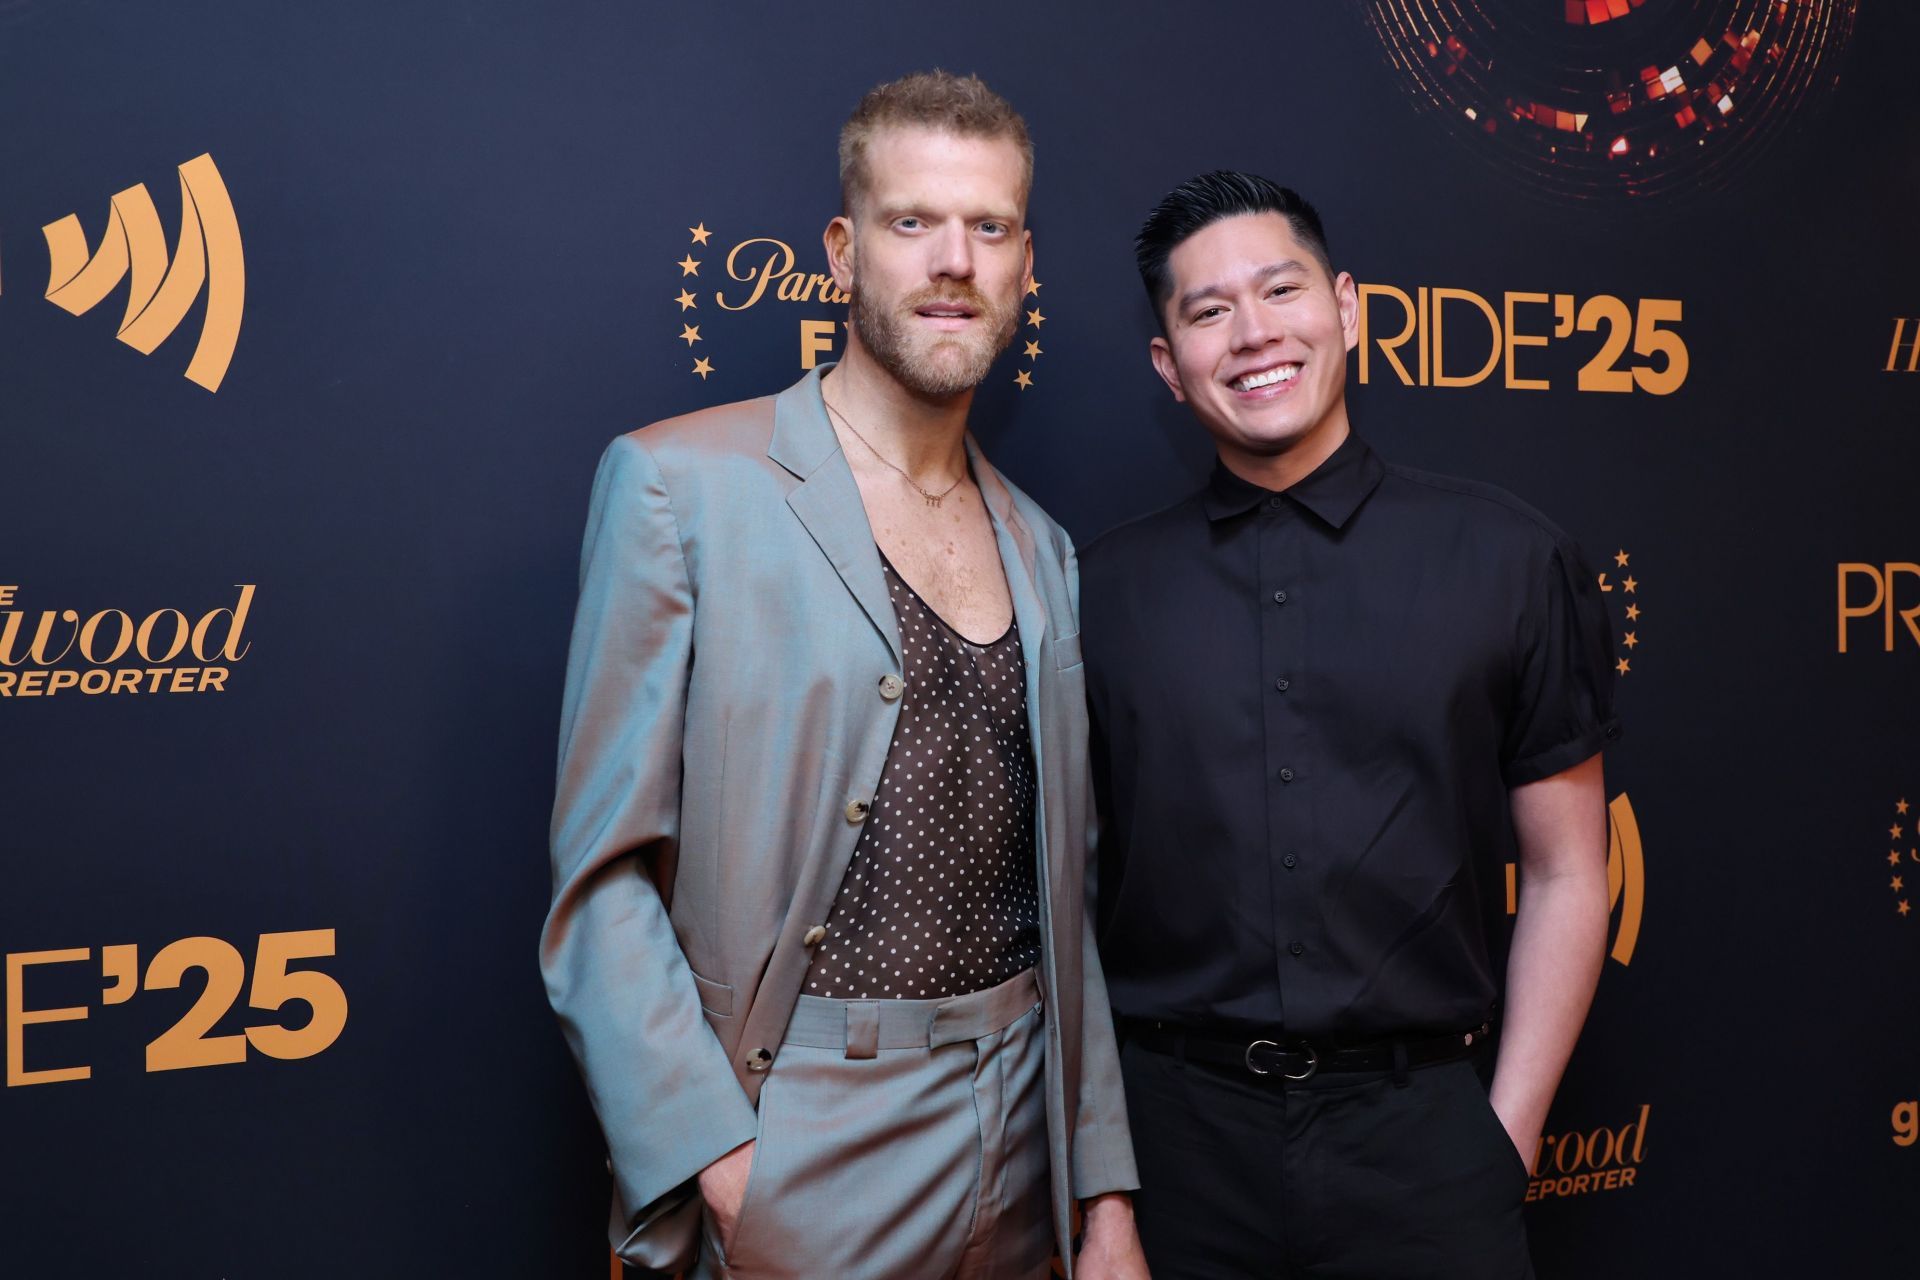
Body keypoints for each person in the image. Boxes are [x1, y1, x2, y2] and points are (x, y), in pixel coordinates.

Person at [541, 70, 1145, 1280]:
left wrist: (1105, 1191)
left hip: (1026, 1128)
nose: (953, 261)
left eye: (989, 227)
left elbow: (1065, 903)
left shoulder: (1045, 546)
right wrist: (721, 1163)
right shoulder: (682, 487)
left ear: (1027, 261)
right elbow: (601, 886)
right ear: (842, 248)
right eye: (911, 221)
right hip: (803, 1125)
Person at [1082, 170, 1620, 1278]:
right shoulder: (1096, 592)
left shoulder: (1511, 559)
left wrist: (1498, 1142)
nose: (1253, 333)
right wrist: (1107, 1203)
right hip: (1177, 1151)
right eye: (1208, 311)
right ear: (1167, 368)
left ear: (1350, 311)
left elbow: (1572, 871)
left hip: (1425, 1145)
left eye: (1281, 290)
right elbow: (1067, 911)